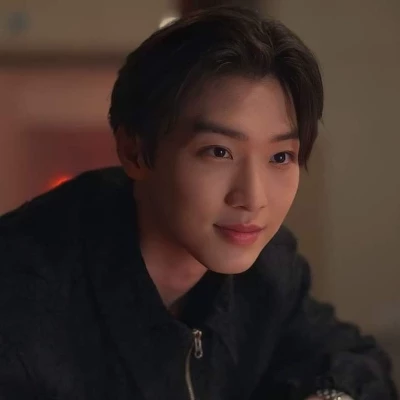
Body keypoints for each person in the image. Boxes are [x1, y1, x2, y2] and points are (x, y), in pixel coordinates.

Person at [0, 5, 396, 400]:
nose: (253, 199)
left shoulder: (269, 270)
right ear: (135, 152)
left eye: (280, 157)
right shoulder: (24, 299)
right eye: (218, 152)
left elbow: (350, 358)